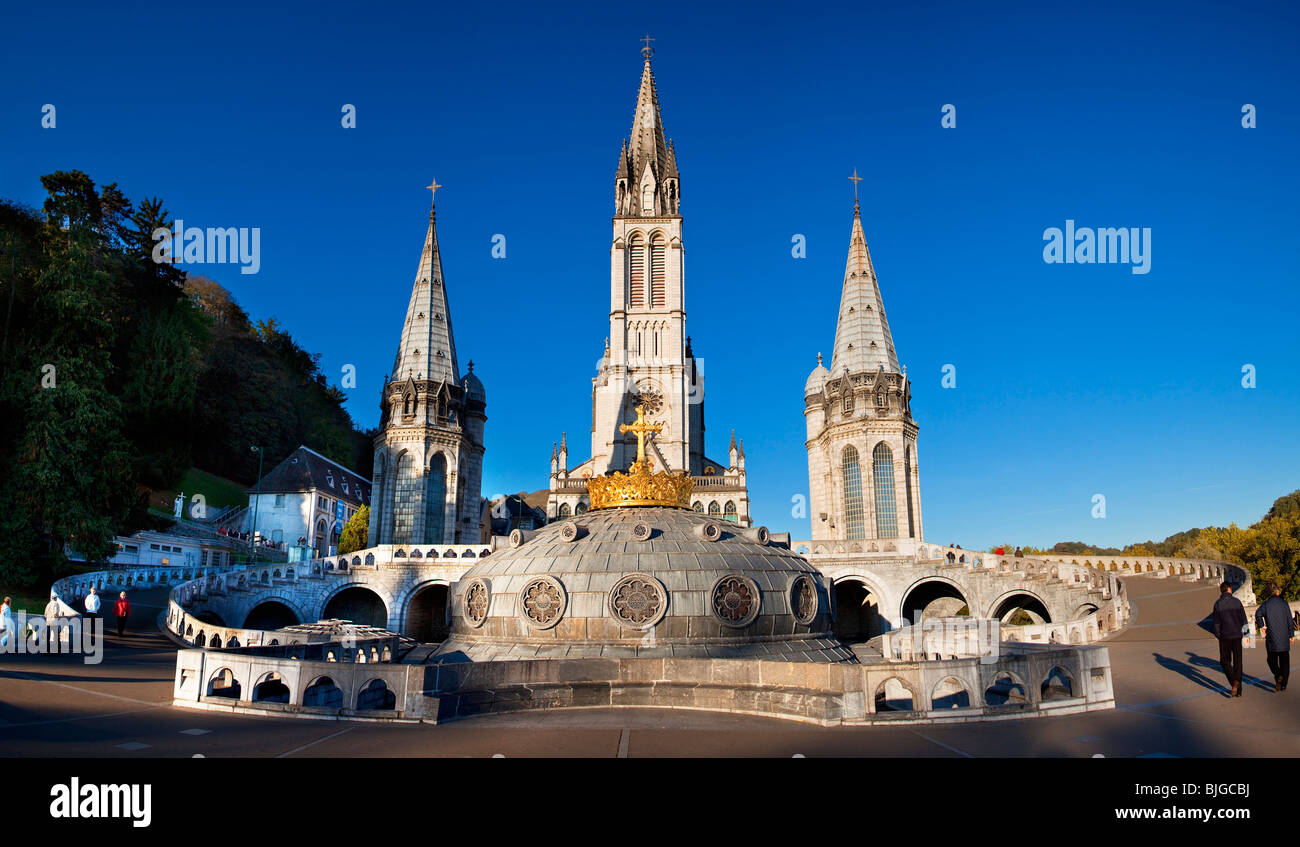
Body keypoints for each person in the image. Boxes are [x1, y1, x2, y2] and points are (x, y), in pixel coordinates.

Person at [1254, 582, 1295, 692]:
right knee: (1285, 662)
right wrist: (1291, 635)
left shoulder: (1266, 604)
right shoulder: (1284, 604)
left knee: (1271, 660)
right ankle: (1284, 683)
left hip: (1272, 637)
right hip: (1284, 637)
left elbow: (1257, 614)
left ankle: (1278, 675)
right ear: (1277, 591)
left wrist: (1262, 626)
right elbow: (1289, 621)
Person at [1212, 581, 1249, 697]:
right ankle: (1239, 689)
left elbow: (1216, 623)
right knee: (1238, 662)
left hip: (1225, 636)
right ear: (1229, 589)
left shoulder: (1217, 604)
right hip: (1237, 635)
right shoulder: (1237, 602)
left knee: (1224, 661)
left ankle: (1233, 680)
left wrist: (1218, 635)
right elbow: (1244, 619)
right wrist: (1247, 635)